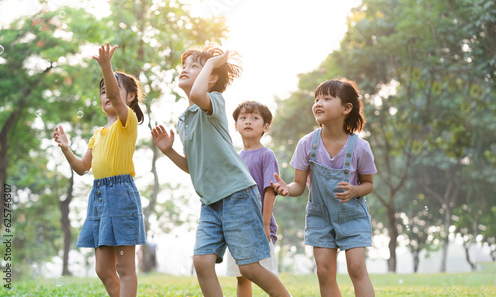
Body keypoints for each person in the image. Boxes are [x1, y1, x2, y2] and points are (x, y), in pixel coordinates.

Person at [151, 44, 290, 297]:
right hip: (210, 201)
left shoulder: (213, 102)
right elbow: (193, 168)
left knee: (248, 267)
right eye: (185, 66)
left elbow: (197, 92)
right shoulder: (183, 120)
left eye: (195, 66)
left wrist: (212, 63)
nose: (185, 69)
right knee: (202, 262)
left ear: (211, 76)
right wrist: (169, 151)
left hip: (237, 194)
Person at [53, 43, 146, 297]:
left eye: (113, 90)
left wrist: (106, 66)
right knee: (103, 269)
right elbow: (83, 168)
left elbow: (116, 100)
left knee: (124, 267)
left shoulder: (127, 123)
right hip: (99, 197)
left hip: (121, 197)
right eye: (102, 91)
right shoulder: (98, 134)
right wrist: (66, 148)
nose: (107, 95)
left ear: (129, 97)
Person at [271, 78, 376, 297]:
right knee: (324, 271)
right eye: (316, 98)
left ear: (346, 108)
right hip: (320, 216)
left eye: (327, 98)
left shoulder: (360, 147)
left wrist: (355, 190)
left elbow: (368, 184)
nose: (318, 103)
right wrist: (286, 189)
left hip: (352, 216)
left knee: (356, 268)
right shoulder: (307, 144)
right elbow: (299, 185)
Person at [226, 101, 280, 297]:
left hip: (259, 227)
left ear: (265, 127)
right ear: (236, 125)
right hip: (237, 227)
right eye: (243, 118)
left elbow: (270, 190)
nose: (248, 121)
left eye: (254, 118)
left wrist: (265, 224)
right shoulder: (234, 157)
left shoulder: (266, 155)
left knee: (265, 273)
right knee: (242, 275)